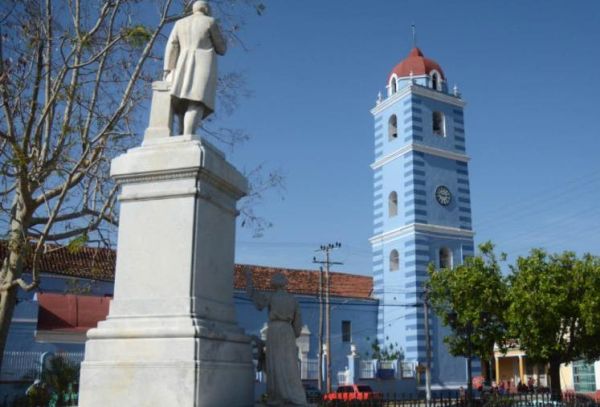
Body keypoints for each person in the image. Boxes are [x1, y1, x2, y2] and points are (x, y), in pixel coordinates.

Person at [245, 268, 307, 406]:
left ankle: (277, 396)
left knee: (275, 363)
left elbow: (259, 302)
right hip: (287, 331)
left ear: (274, 284)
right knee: (289, 364)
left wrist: (250, 283)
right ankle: (294, 394)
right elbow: (298, 322)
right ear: (284, 284)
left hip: (274, 331)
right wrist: (294, 334)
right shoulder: (293, 300)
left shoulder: (271, 296)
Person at [163, 1, 227, 135]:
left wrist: (167, 69)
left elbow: (171, 46)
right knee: (197, 101)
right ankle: (187, 135)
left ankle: (182, 135)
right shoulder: (210, 21)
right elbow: (221, 49)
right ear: (206, 9)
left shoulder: (180, 23)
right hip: (203, 64)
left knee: (183, 102)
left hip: (183, 64)